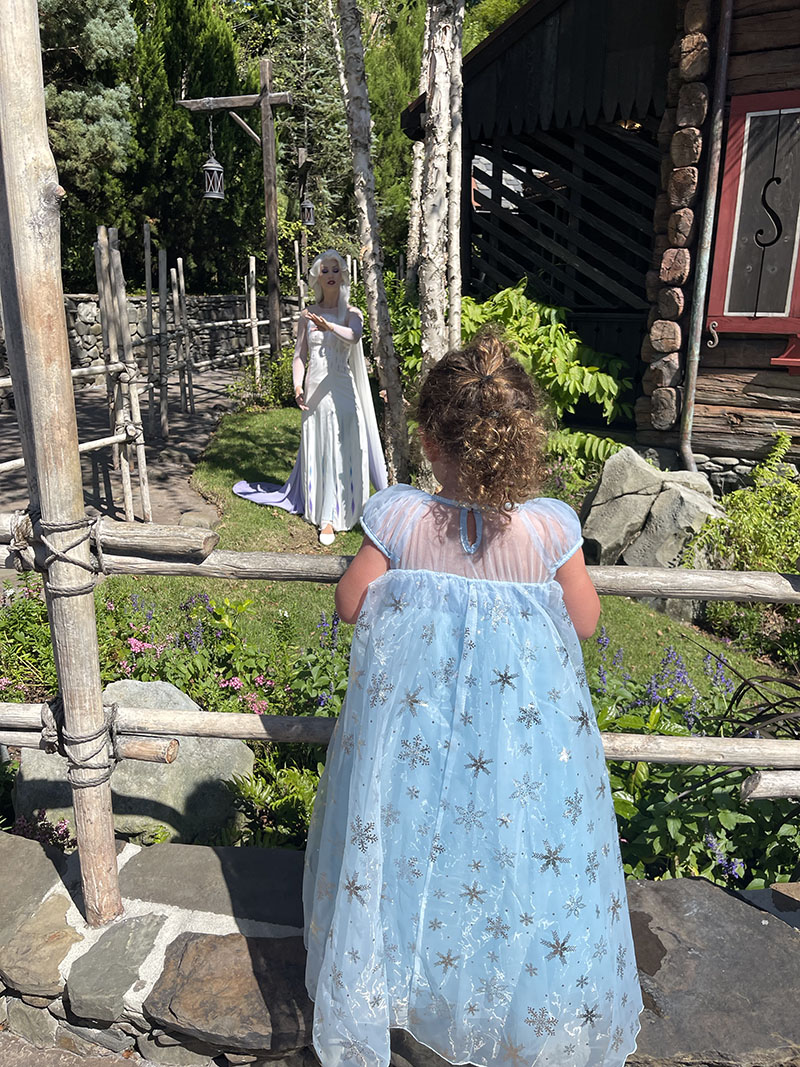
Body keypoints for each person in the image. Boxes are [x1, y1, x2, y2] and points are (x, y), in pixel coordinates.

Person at [303, 331, 642, 1067]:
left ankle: (408, 987)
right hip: (517, 752)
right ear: (524, 438)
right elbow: (584, 621)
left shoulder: (397, 519)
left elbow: (351, 602)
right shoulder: (549, 529)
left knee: (414, 856)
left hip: (418, 746)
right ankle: (507, 1009)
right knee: (511, 862)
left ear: (429, 439)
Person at [233, 250, 387, 545]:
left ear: (342, 275)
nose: (330, 275)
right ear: (317, 277)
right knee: (320, 446)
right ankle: (325, 514)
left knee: (345, 445)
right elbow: (299, 356)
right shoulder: (307, 315)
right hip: (314, 391)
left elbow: (354, 337)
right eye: (324, 270)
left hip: (342, 388)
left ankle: (351, 508)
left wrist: (331, 327)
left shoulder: (352, 314)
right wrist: (297, 385)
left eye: (335, 269)